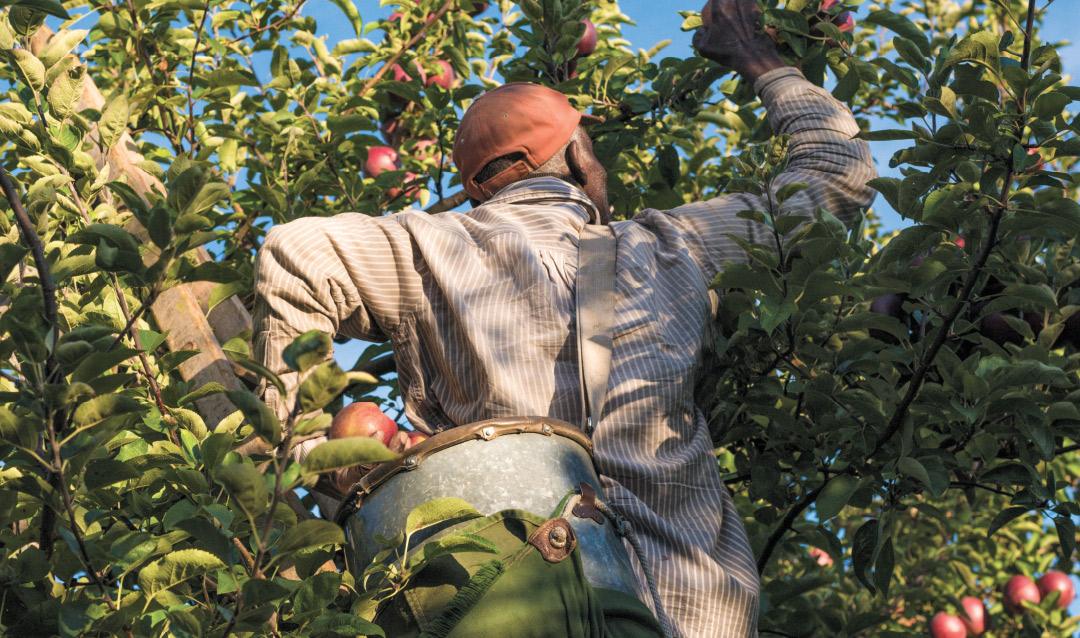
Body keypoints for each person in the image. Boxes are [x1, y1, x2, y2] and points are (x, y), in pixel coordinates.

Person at [251, 0, 876, 635]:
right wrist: (759, 59)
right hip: (691, 614)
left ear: (476, 187)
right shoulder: (671, 246)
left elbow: (292, 253)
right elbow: (838, 174)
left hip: (517, 605)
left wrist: (315, 463)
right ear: (580, 157)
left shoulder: (429, 249)